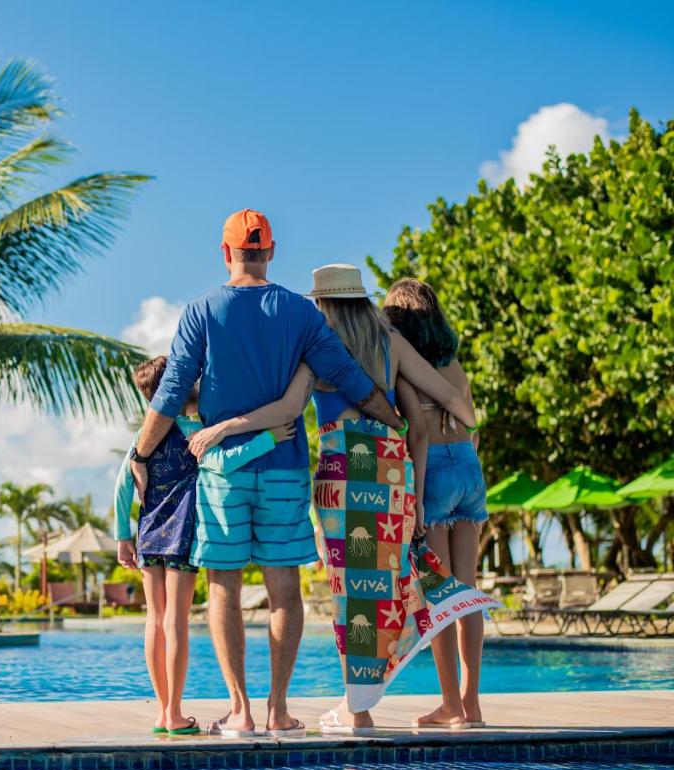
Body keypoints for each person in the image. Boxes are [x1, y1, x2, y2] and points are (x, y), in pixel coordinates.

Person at [129, 209, 403, 737]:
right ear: (271, 251)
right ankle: (278, 707)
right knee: (284, 589)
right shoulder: (302, 314)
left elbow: (170, 392)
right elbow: (347, 376)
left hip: (223, 474)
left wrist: (141, 455)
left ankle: (241, 711)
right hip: (283, 469)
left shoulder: (201, 310)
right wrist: (392, 421)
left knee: (224, 586)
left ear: (225, 252)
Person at [305, 263, 493, 734]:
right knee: (456, 594)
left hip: (380, 474)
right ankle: (468, 702)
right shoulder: (418, 353)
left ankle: (408, 704)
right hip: (433, 470)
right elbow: (463, 411)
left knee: (408, 594)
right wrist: (459, 424)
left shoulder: (330, 346)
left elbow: (410, 429)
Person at [114, 355, 294, 735]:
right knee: (175, 619)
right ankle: (176, 713)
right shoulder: (194, 432)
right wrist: (269, 438)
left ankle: (163, 712)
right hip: (183, 533)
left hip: (148, 533)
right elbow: (225, 463)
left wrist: (121, 536)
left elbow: (122, 486)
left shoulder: (142, 439)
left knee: (155, 620)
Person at [383, 277, 488, 729]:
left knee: (441, 599)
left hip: (435, 474)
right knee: (469, 591)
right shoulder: (456, 365)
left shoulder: (409, 368)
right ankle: (472, 703)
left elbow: (418, 437)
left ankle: (449, 704)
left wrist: (419, 501)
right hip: (468, 464)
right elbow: (473, 427)